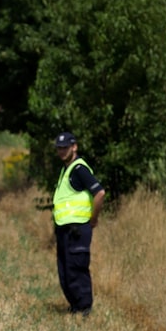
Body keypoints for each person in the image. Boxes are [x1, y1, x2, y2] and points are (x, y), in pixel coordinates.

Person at [52, 131, 105, 316]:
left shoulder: (79, 169)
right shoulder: (66, 170)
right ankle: (75, 306)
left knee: (76, 268)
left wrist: (93, 218)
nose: (61, 151)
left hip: (78, 228)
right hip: (64, 228)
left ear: (74, 147)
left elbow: (100, 193)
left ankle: (84, 308)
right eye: (59, 148)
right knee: (65, 270)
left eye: (65, 148)